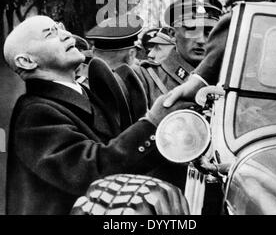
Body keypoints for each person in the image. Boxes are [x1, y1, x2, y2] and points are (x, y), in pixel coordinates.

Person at [4, 16, 193, 215]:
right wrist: (153, 123)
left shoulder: (83, 95)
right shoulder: (34, 114)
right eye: (50, 33)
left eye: (61, 27)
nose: (67, 34)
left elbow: (125, 161)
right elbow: (93, 173)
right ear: (26, 61)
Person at [134, 0, 222, 106]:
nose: (201, 40)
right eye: (191, 30)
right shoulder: (145, 78)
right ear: (172, 34)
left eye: (208, 32)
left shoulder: (225, 80)